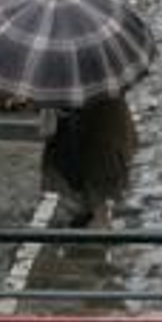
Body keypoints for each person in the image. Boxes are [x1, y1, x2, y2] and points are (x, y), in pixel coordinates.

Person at [40, 97, 136, 228]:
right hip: (101, 134)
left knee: (96, 180)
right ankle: (90, 213)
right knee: (93, 178)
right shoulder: (105, 86)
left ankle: (98, 222)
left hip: (97, 137)